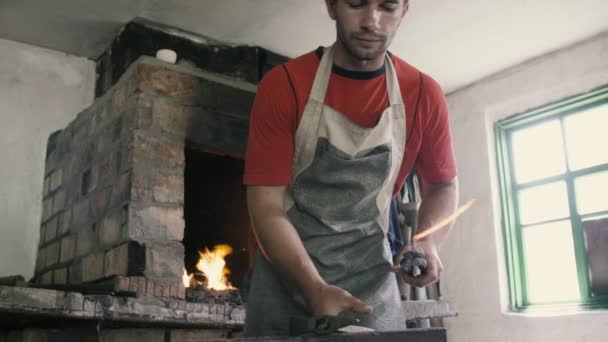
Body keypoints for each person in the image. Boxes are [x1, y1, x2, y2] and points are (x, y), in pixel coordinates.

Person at [243, 0, 458, 336]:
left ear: (404, 10)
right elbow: (266, 208)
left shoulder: (423, 95)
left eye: (387, 6)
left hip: (371, 284)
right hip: (285, 282)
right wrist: (312, 286)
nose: (371, 21)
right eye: (356, 3)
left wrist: (428, 242)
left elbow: (444, 186)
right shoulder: (284, 85)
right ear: (331, 6)